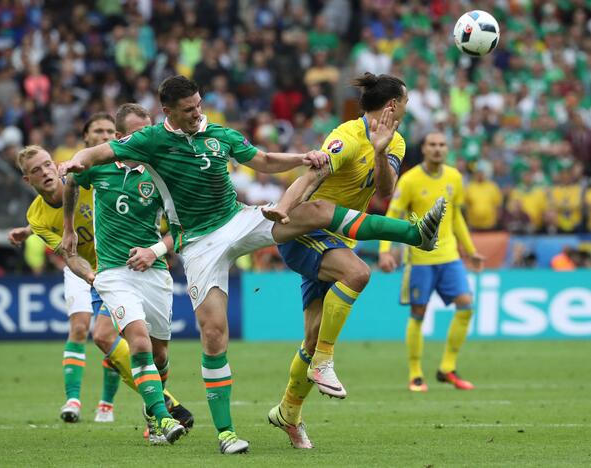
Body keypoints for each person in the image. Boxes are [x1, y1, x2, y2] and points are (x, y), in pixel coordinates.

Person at [59, 75, 445, 454]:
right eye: (188, 110)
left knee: (316, 211)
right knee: (213, 334)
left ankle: (415, 234)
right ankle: (226, 433)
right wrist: (76, 160)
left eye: (199, 105)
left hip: (237, 219)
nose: (197, 114)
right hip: (197, 244)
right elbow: (101, 154)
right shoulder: (151, 139)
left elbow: (262, 160)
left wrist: (302, 157)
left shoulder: (220, 135)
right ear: (168, 112)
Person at [10, 114, 191, 426]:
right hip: (88, 269)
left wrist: (155, 246)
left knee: (122, 340)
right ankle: (150, 405)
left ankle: (122, 403)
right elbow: (66, 250)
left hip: (120, 262)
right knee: (92, 331)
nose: (45, 171)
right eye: (36, 170)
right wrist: (90, 275)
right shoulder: (44, 210)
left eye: (47, 164)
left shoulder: (101, 174)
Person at [268, 72, 413, 449]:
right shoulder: (345, 136)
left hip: (338, 235)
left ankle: (288, 413)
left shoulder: (394, 140)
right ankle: (324, 363)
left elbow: (384, 190)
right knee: (358, 273)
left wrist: (380, 150)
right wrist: (284, 209)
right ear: (393, 105)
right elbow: (311, 178)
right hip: (307, 230)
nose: (407, 107)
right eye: (405, 101)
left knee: (312, 336)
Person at [62, 103, 191, 445]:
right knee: (138, 342)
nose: (144, 140)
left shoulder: (161, 173)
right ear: (119, 138)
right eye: (136, 134)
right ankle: (163, 418)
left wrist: (154, 252)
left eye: (147, 133)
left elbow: (180, 231)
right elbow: (72, 180)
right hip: (114, 273)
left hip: (155, 272)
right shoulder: (102, 168)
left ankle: (152, 413)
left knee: (160, 354)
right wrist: (69, 228)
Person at [378, 132, 484, 393]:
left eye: (442, 144)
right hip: (420, 259)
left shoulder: (454, 177)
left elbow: (456, 216)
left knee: (466, 306)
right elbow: (394, 213)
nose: (437, 149)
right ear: (424, 149)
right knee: (418, 314)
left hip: (450, 257)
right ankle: (415, 373)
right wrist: (385, 250)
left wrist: (470, 250)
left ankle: (447, 368)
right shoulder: (411, 179)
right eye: (432, 145)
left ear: (447, 148)